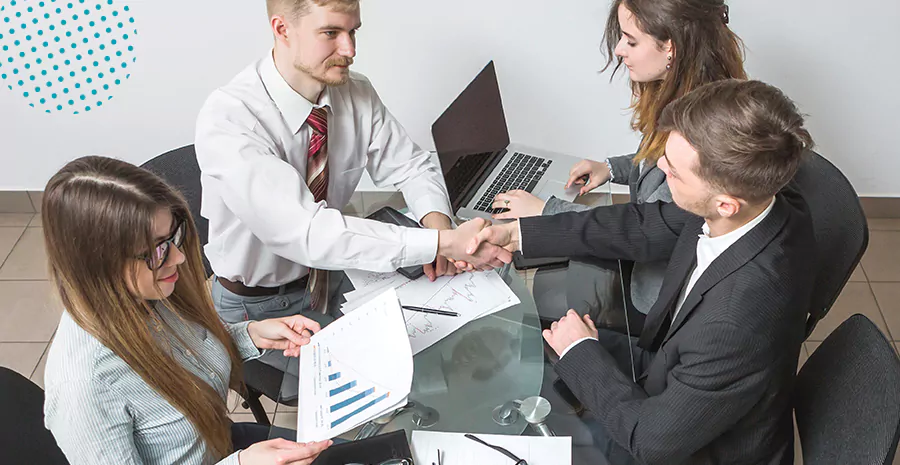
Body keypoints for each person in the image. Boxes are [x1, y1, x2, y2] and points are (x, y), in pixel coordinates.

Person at [467, 79, 816, 464]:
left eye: (674, 171)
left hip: (689, 446)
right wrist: (518, 234)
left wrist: (580, 352)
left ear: (726, 204)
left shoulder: (735, 322)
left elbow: (651, 442)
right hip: (673, 369)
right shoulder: (764, 201)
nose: (659, 165)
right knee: (523, 347)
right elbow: (643, 224)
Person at [194, 0, 510, 373]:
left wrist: (438, 225)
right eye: (331, 33)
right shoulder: (230, 118)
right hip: (260, 308)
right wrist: (442, 243)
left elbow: (411, 164)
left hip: (331, 277)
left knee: (442, 341)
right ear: (282, 30)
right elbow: (308, 233)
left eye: (353, 31)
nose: (350, 51)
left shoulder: (354, 91)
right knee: (375, 382)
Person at [42, 156, 331, 465]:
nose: (178, 257)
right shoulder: (85, 388)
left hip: (223, 443)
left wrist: (251, 335)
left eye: (172, 237)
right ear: (99, 264)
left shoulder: (147, 293)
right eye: (158, 249)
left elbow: (187, 355)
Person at [492, 0, 745, 323]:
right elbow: (659, 160)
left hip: (655, 292)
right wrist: (612, 168)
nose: (618, 51)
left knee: (530, 307)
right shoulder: (694, 96)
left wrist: (546, 211)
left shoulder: (702, 133)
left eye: (631, 40)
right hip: (644, 255)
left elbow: (643, 229)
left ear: (671, 46)